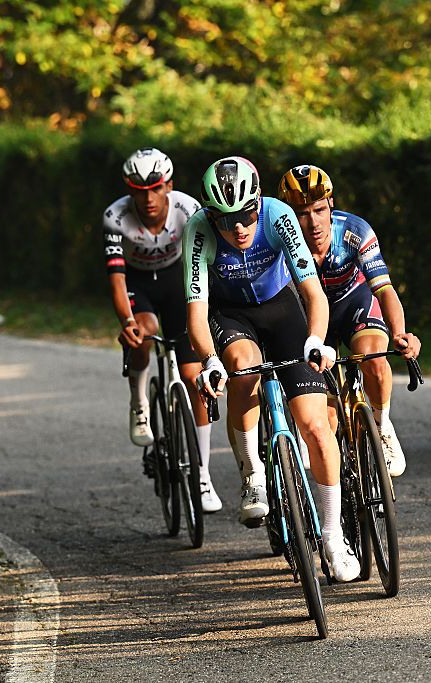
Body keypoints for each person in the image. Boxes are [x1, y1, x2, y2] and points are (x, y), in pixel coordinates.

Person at [183, 156, 360, 582]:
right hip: (231, 315)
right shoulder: (199, 229)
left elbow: (313, 293)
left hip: (282, 309)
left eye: (246, 216)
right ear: (210, 214)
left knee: (316, 427)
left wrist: (316, 340)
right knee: (243, 368)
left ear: (258, 204)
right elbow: (196, 310)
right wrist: (209, 361)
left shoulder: (279, 217)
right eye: (227, 220)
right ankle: (252, 473)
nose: (239, 229)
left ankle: (333, 537)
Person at [277, 165, 421, 477]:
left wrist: (400, 333)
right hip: (312, 320)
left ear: (331, 204)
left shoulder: (354, 230)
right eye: (302, 213)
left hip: (352, 304)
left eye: (318, 209)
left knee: (376, 364)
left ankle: (382, 426)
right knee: (326, 423)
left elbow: (384, 290)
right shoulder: (281, 244)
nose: (313, 222)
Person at [103, 147, 222, 513]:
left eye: (155, 188)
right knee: (143, 330)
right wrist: (127, 322)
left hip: (178, 282)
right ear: (129, 190)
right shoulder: (115, 216)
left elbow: (204, 267)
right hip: (140, 285)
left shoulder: (188, 211)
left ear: (168, 184)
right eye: (138, 190)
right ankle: (139, 403)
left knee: (195, 378)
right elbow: (117, 279)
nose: (148, 197)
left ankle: (202, 474)